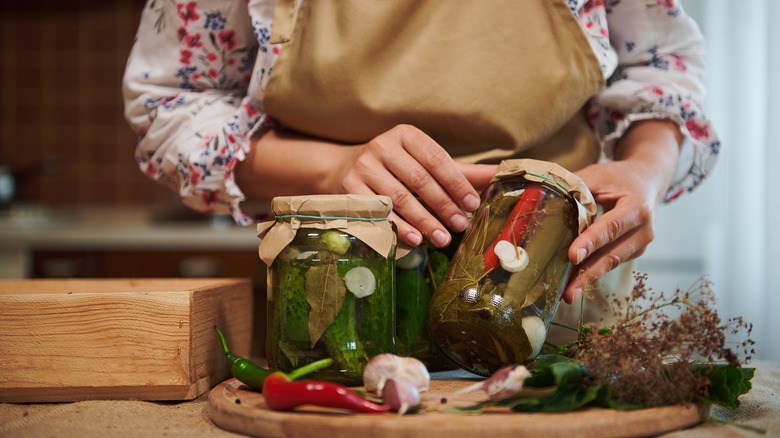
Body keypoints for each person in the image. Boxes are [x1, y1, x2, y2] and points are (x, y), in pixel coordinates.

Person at [123, 0, 719, 307]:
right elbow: (171, 105)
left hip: (553, 293)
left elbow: (663, 72)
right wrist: (333, 168)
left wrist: (643, 169)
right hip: (330, 311)